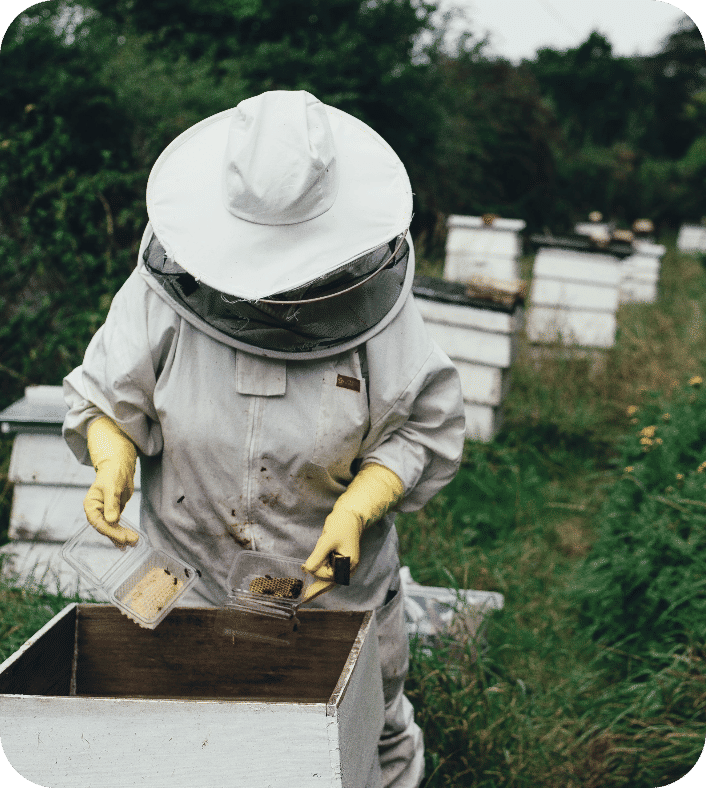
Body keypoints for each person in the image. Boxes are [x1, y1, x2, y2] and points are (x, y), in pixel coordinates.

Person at [62, 90, 465, 788]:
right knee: (196, 746)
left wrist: (357, 508)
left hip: (328, 588)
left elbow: (419, 430)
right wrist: (111, 455)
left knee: (365, 737)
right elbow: (109, 395)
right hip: (183, 579)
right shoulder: (162, 290)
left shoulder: (381, 317)